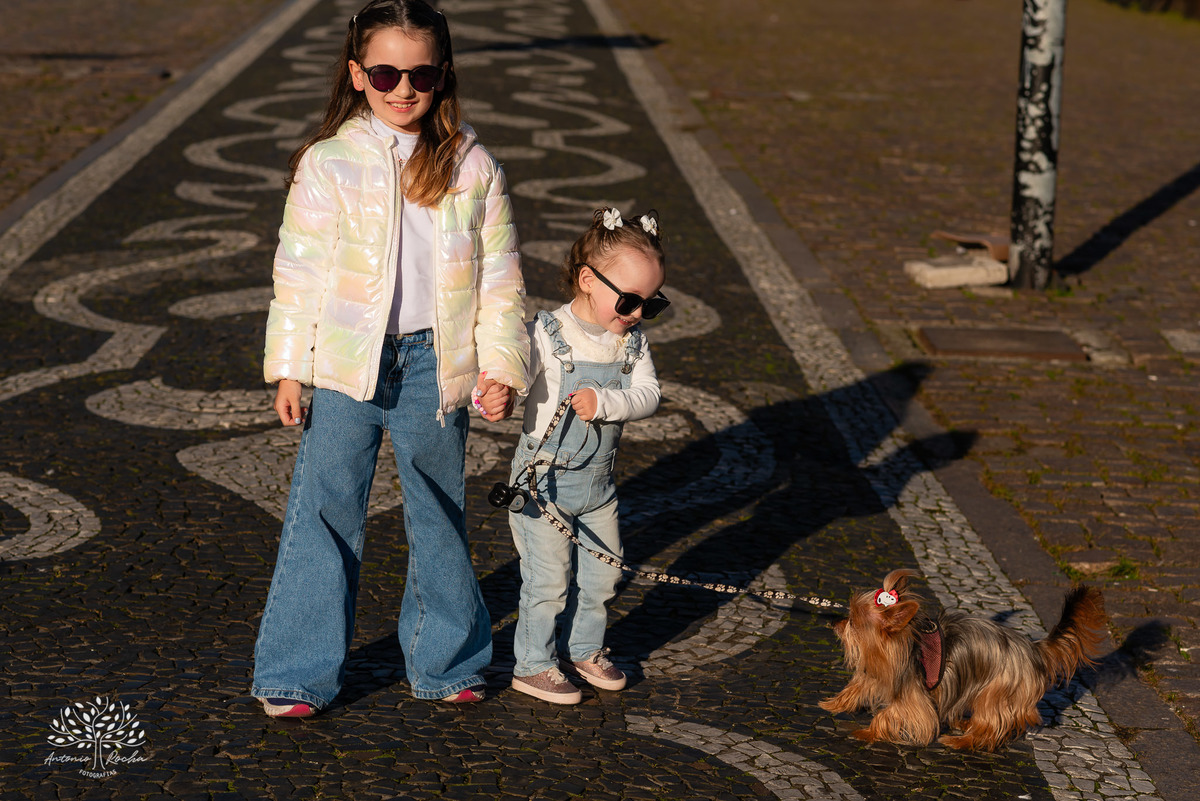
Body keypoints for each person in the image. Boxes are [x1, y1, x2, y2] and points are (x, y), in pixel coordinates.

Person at [252, 0, 528, 718]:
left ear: (443, 75)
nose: (403, 89)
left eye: (421, 74)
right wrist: (291, 365)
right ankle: (294, 670)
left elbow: (499, 277)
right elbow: (298, 271)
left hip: (436, 367)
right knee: (324, 507)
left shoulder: (472, 164)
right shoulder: (329, 161)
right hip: (347, 364)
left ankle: (445, 660)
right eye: (384, 72)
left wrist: (500, 365)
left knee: (438, 512)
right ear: (356, 73)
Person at [507, 207, 667, 705]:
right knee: (548, 581)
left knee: (604, 575)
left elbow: (650, 394)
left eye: (651, 304)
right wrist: (492, 393)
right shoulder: (546, 333)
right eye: (629, 301)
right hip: (544, 484)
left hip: (599, 486)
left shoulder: (631, 343)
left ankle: (585, 651)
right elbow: (510, 381)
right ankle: (532, 664)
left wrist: (607, 401)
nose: (637, 313)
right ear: (587, 280)